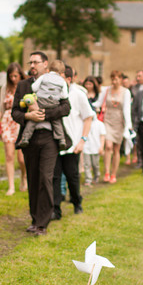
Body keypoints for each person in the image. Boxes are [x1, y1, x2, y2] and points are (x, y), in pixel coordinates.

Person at [12, 52, 71, 236]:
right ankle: (35, 219)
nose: (32, 65)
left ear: (46, 64)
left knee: (46, 177)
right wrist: (28, 115)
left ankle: (43, 223)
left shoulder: (57, 82)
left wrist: (44, 113)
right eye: (30, 62)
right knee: (33, 178)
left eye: (35, 62)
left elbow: (66, 107)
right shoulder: (24, 85)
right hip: (29, 138)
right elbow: (15, 111)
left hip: (49, 138)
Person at [53, 65, 94, 218]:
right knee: (55, 177)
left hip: (73, 145)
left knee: (72, 176)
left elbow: (88, 118)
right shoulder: (53, 94)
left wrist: (82, 140)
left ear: (68, 79)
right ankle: (56, 209)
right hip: (56, 143)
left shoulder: (78, 95)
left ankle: (77, 202)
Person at [18, 59, 69, 150]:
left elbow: (34, 87)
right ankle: (61, 139)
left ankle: (25, 138)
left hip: (41, 102)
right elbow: (64, 95)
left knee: (33, 120)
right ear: (61, 73)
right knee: (56, 121)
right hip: (54, 103)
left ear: (49, 69)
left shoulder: (44, 76)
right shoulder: (62, 81)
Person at [0, 62, 27, 195]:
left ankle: (23, 177)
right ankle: (11, 186)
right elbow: (1, 107)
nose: (13, 79)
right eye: (11, 76)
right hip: (8, 121)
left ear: (20, 75)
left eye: (15, 76)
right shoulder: (6, 87)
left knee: (21, 158)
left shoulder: (25, 86)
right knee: (9, 156)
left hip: (21, 120)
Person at [99, 70, 132, 184]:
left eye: (116, 79)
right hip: (108, 119)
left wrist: (128, 125)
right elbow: (98, 103)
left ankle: (114, 173)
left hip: (119, 121)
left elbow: (127, 109)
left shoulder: (126, 92)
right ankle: (107, 172)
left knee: (116, 148)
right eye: (112, 79)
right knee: (108, 146)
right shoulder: (106, 90)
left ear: (120, 79)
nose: (114, 81)